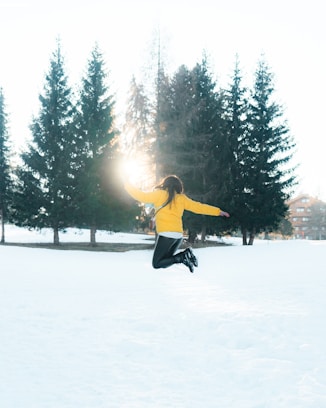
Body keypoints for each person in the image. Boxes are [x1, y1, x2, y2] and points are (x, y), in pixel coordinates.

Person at [124, 175, 230, 273]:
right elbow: (199, 207)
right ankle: (184, 256)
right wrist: (218, 211)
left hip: (166, 235)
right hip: (178, 236)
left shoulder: (160, 194)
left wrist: (126, 183)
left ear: (165, 184)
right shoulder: (181, 198)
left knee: (157, 264)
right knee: (165, 261)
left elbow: (141, 196)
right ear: (178, 186)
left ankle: (183, 256)